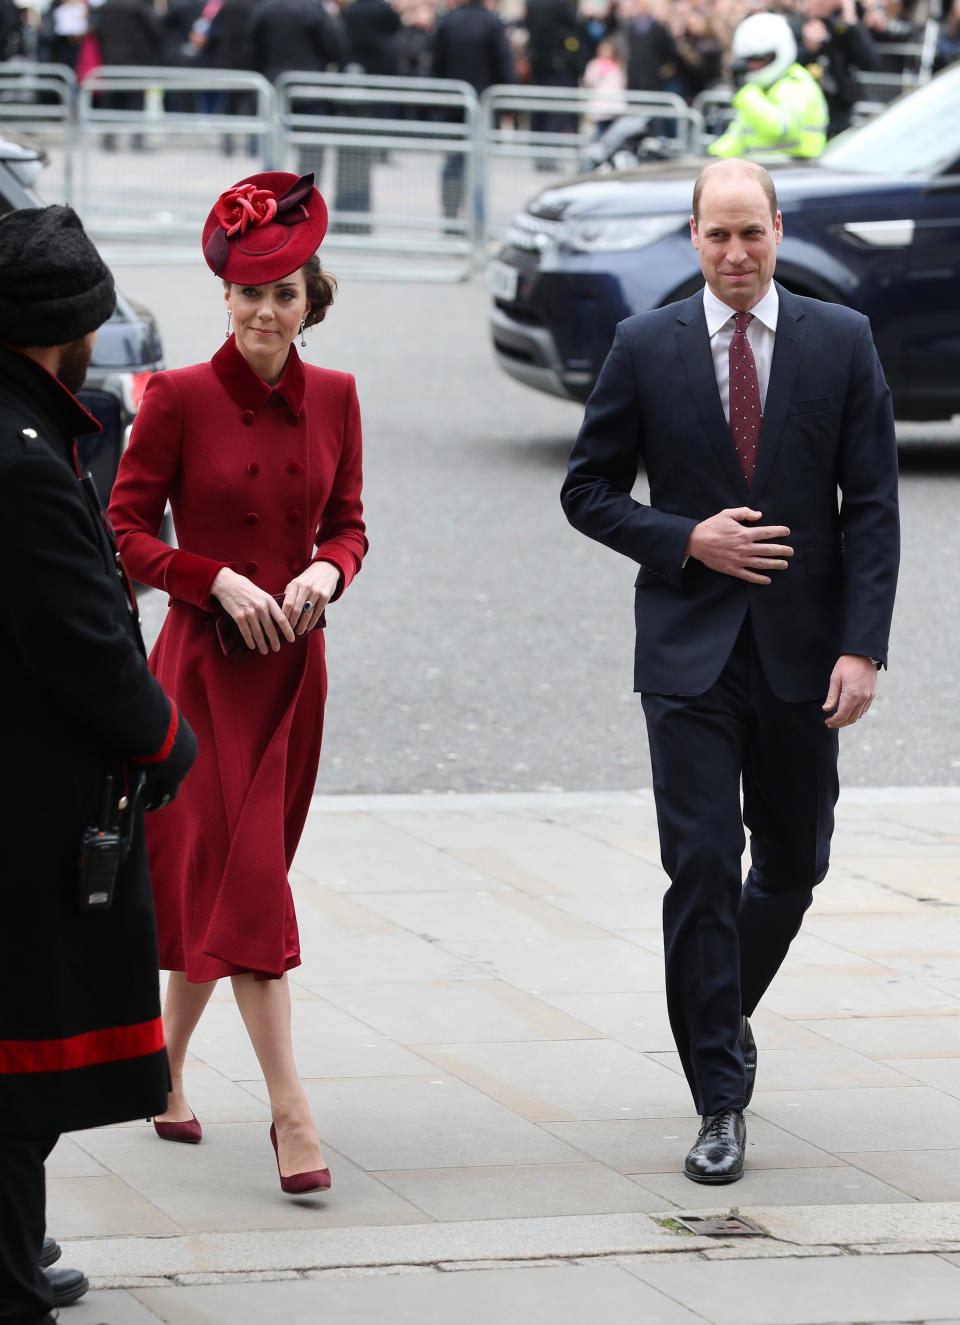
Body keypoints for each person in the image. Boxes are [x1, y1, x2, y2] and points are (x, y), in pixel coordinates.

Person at [561, 157, 899, 1184]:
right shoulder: (644, 345)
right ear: (693, 236)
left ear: (780, 230)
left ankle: (715, 1008)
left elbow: (873, 506)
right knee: (702, 863)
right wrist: (684, 538)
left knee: (791, 866)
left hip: (805, 657)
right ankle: (719, 1094)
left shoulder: (840, 340)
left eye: (753, 233)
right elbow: (587, 489)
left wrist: (862, 644)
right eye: (718, 235)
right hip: (688, 654)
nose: (737, 254)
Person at [108, 171, 368, 1196]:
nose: (267, 312)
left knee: (232, 884)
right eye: (251, 294)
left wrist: (322, 572)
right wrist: (210, 576)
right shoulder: (174, 396)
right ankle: (291, 1114)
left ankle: (163, 1070)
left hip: (293, 679)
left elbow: (349, 524)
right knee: (251, 885)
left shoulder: (339, 397)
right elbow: (124, 533)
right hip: (203, 676)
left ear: (312, 300)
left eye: (286, 295)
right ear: (223, 296)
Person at [0, 204, 196, 1325]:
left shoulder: (29, 427)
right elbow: (82, 641)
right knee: (21, 1059)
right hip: (27, 800)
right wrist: (167, 741)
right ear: (59, 333)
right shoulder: (21, 461)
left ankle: (15, 1242)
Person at [431, 0, 513, 223]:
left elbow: (436, 65)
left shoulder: (448, 22)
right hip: (483, 105)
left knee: (453, 162)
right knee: (478, 165)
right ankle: (476, 220)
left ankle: (450, 218)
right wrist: (506, 101)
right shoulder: (492, 23)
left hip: (453, 104)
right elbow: (504, 64)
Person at [708, 11, 828, 159]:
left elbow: (780, 127)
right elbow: (737, 136)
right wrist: (710, 158)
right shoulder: (759, 91)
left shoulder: (796, 84)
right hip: (762, 173)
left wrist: (743, 92)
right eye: (749, 60)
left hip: (799, 172)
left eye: (760, 58)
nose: (753, 65)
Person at [796, 0, 879, 137]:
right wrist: (807, 49)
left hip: (839, 114)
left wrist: (852, 23)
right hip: (803, 114)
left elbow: (870, 63)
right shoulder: (795, 25)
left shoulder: (841, 28)